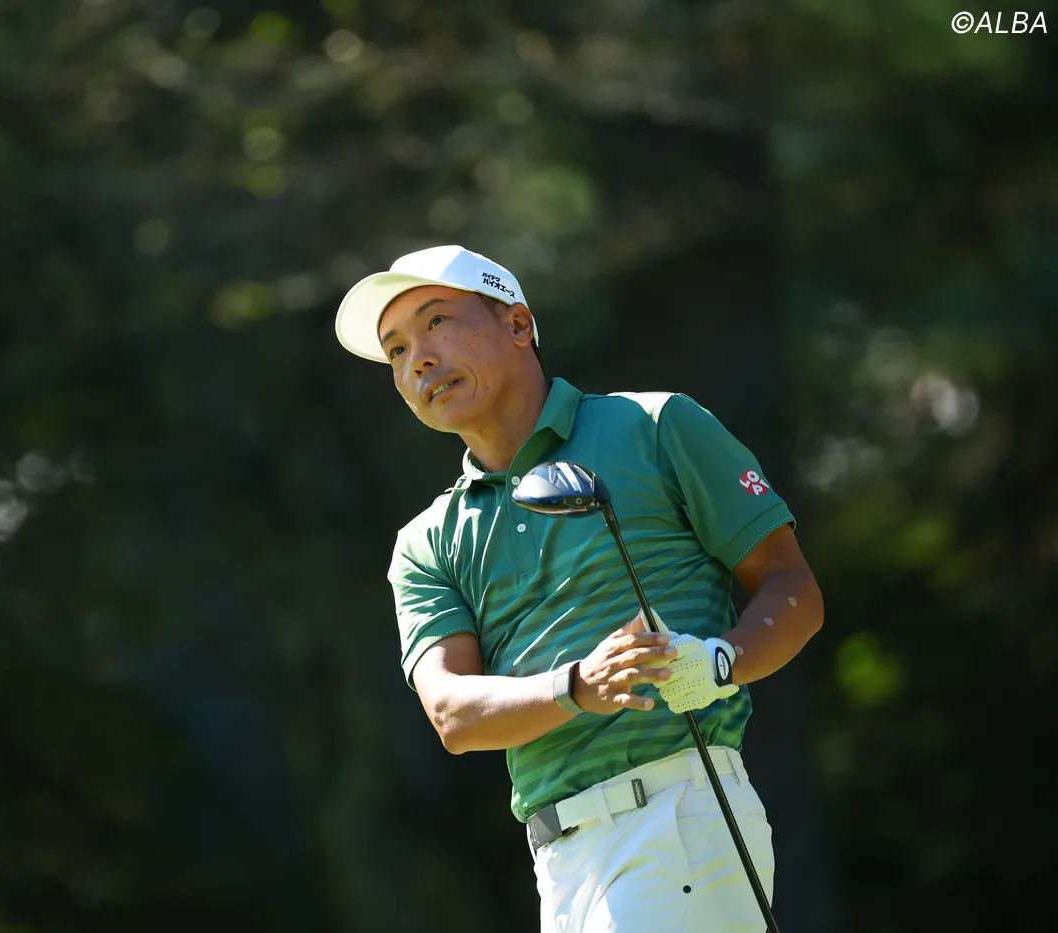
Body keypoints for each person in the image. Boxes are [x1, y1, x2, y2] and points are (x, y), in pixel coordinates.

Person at [333, 245, 825, 933]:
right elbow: (453, 714)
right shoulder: (426, 541)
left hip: (678, 817)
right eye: (395, 350)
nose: (416, 359)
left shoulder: (656, 426)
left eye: (436, 321)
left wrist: (722, 661)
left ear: (517, 324)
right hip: (561, 863)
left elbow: (791, 586)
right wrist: (578, 685)